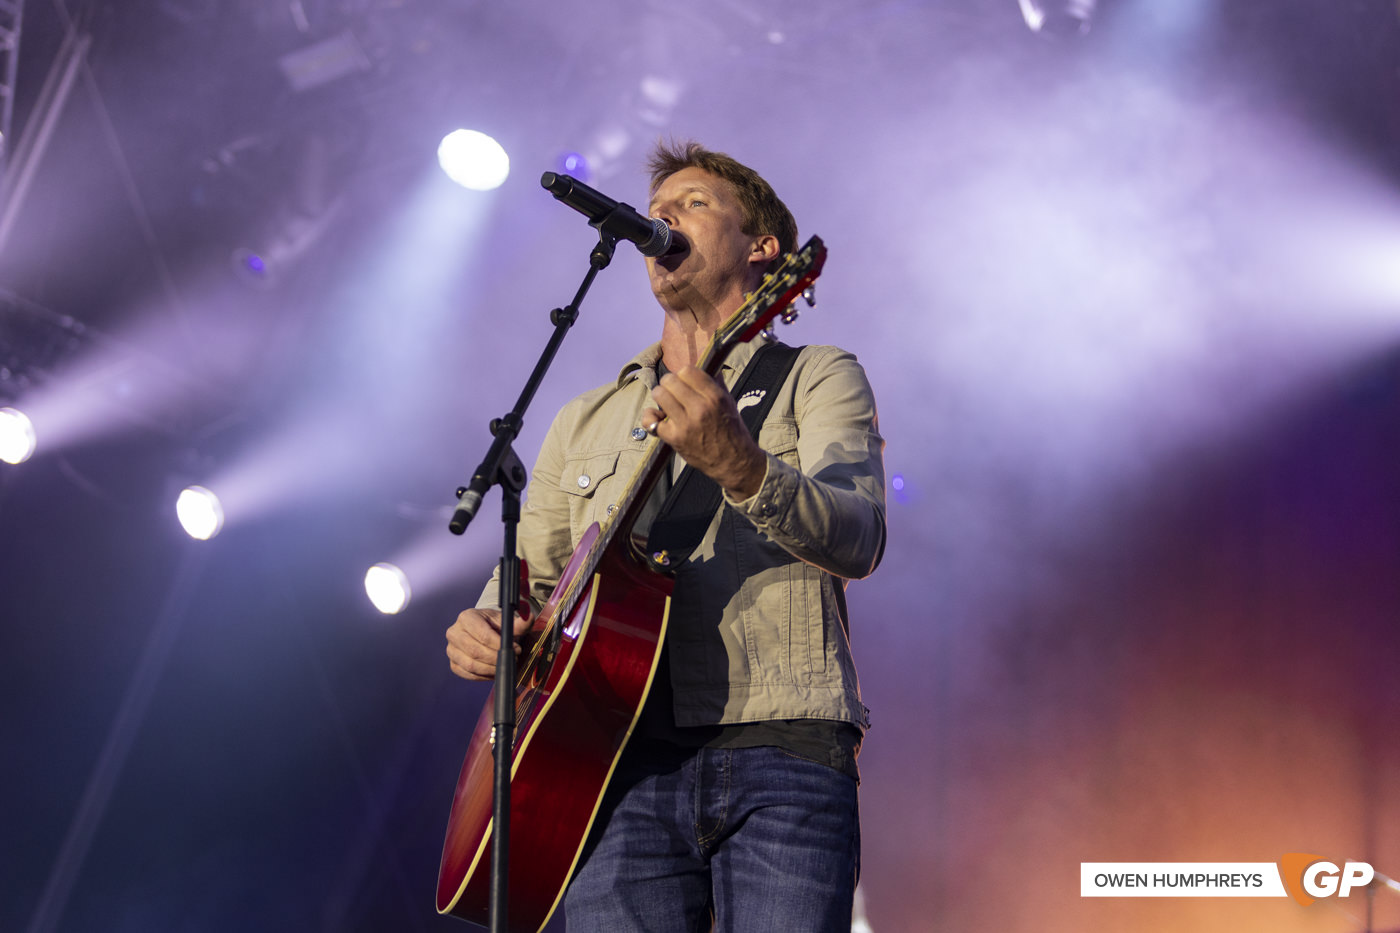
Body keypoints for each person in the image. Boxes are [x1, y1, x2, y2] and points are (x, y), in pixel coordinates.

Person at [445, 140, 886, 932]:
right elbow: (534, 577)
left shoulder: (817, 374)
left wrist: (744, 466)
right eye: (656, 210)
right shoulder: (584, 415)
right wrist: (487, 622)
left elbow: (858, 535)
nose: (663, 219)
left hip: (780, 742)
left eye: (693, 203)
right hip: (610, 764)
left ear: (764, 250)